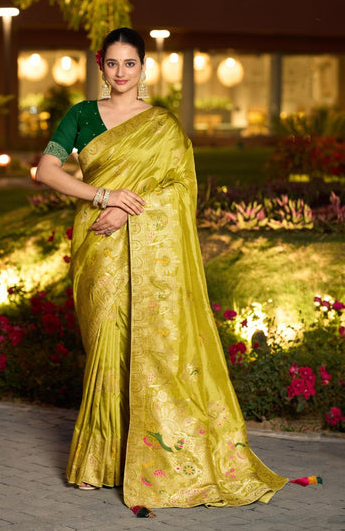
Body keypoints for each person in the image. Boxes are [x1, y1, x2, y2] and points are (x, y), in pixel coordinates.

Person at [36, 27, 288, 511]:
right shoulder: (82, 115)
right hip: (98, 243)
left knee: (146, 344)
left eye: (129, 63)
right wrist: (104, 197)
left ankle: (146, 457)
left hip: (144, 244)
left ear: (143, 67)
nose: (121, 72)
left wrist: (129, 210)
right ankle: (99, 461)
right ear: (100, 65)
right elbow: (46, 171)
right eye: (112, 63)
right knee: (106, 345)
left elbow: (179, 187)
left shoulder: (162, 124)